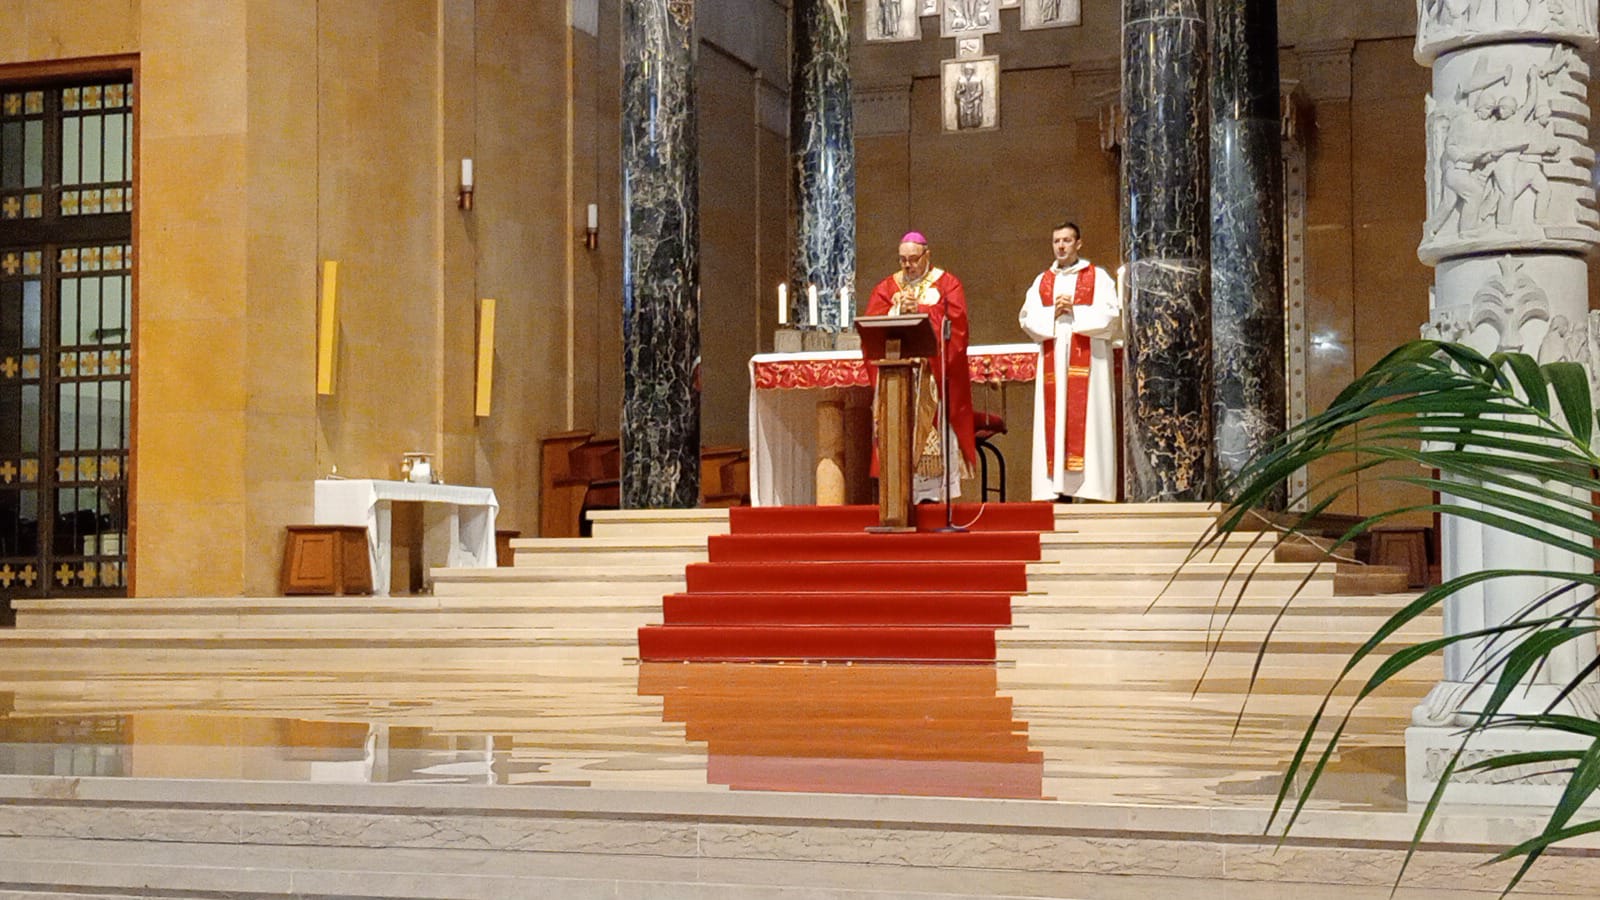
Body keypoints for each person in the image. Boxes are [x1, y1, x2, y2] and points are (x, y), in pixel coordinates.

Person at [867, 231, 977, 503]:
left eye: (913, 259)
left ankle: (933, 495)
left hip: (932, 379)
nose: (907, 265)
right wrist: (896, 312)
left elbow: (958, 329)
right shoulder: (887, 288)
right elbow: (871, 330)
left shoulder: (947, 284)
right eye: (903, 260)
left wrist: (922, 311)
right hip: (899, 378)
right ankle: (899, 493)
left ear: (927, 255)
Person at [1018, 221, 1121, 502]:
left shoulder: (1098, 277)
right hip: (1054, 354)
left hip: (1090, 360)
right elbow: (1026, 318)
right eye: (1056, 241)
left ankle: (1091, 489)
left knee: (1089, 421)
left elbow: (1112, 315)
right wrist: (1053, 313)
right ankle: (1057, 489)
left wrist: (1074, 311)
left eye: (1066, 240)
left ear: (1079, 244)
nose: (1061, 246)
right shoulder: (1043, 280)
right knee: (1055, 416)